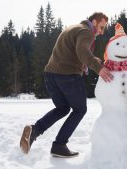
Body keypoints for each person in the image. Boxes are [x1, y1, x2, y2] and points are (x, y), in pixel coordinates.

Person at [20, 12, 113, 158]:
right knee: (80, 109)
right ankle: (59, 145)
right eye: (101, 27)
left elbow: (73, 52)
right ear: (94, 22)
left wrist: (89, 62)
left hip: (51, 75)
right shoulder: (87, 32)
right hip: (68, 76)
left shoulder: (72, 28)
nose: (101, 32)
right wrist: (99, 68)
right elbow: (82, 51)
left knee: (62, 108)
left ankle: (34, 130)